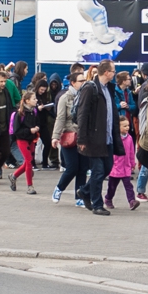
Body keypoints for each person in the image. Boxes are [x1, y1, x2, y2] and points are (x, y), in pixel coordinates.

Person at [74, 60, 123, 215]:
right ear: (106, 72)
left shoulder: (108, 88)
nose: (115, 73)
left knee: (107, 168)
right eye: (113, 71)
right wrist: (81, 139)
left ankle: (84, 191)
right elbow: (82, 114)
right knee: (98, 171)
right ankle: (97, 204)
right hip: (94, 138)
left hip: (107, 138)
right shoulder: (90, 88)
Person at [52, 70, 88, 207]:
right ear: (73, 83)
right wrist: (55, 137)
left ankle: (79, 196)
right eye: (81, 81)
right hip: (69, 136)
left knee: (83, 168)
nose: (83, 83)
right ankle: (59, 188)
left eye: (84, 81)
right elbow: (60, 118)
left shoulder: (86, 95)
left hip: (83, 137)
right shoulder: (65, 98)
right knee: (72, 167)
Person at [105, 114, 141, 210]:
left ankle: (132, 201)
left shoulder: (129, 138)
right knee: (112, 187)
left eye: (128, 125)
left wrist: (132, 163)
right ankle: (108, 199)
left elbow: (131, 152)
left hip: (126, 167)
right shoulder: (114, 138)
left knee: (128, 186)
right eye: (124, 126)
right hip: (115, 168)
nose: (127, 128)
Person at [11, 91, 42, 195]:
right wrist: (29, 130)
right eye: (34, 99)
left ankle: (14, 176)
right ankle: (30, 186)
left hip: (31, 139)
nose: (36, 100)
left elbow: (37, 123)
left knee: (28, 162)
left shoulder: (34, 111)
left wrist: (37, 127)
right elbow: (16, 131)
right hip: (22, 139)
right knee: (28, 161)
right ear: (27, 101)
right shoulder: (20, 114)